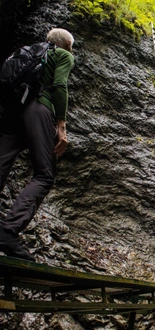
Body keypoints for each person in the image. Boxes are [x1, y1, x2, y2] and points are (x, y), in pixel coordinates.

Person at [0, 28, 75, 261]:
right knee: (45, 174)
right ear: (65, 44)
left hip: (14, 112)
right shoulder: (63, 55)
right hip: (39, 109)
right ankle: (7, 230)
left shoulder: (30, 52)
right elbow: (60, 86)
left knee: (2, 161)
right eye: (71, 45)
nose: (73, 50)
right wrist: (61, 125)